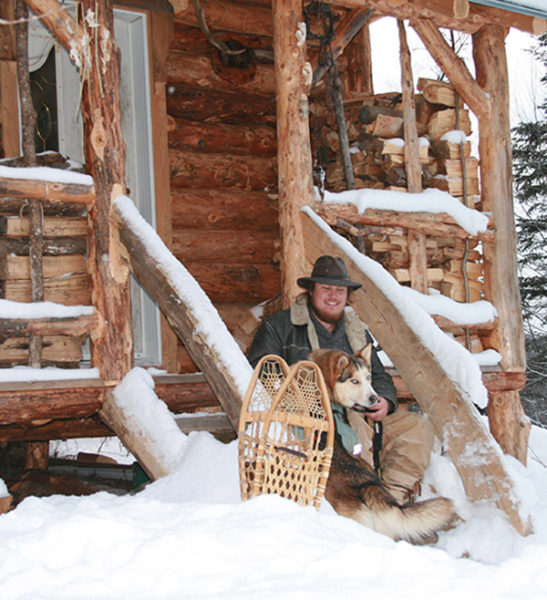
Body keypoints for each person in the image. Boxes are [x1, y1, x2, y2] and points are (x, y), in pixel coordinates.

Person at [247, 255, 435, 504]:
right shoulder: (280, 326)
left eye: (340, 290)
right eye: (326, 289)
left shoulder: (356, 331)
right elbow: (262, 371)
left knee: (416, 426)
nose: (333, 296)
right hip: (311, 417)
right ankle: (363, 507)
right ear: (311, 290)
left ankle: (393, 500)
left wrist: (385, 402)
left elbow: (377, 375)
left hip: (359, 409)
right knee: (358, 435)